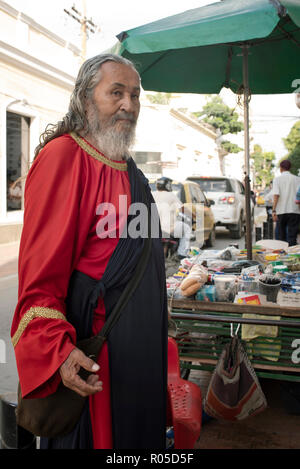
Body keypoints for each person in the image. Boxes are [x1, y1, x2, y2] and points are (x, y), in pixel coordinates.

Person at [11, 54, 168, 449]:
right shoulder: (65, 157)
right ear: (85, 99)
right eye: (116, 92)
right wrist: (58, 352)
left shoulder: (131, 170)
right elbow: (39, 278)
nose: (129, 105)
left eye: (135, 95)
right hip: (99, 359)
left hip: (142, 354)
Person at [152, 177, 192, 259]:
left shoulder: (152, 194)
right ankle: (182, 254)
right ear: (167, 185)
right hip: (167, 228)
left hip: (151, 227)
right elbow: (183, 209)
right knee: (187, 228)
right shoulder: (171, 195)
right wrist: (192, 216)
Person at [272, 159, 300, 246]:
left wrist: (273, 210)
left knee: (280, 237)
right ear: (290, 168)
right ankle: (292, 256)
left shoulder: (277, 180)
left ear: (281, 168)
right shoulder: (297, 179)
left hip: (281, 211)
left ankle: (282, 256)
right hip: (294, 211)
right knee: (292, 237)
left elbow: (276, 195)